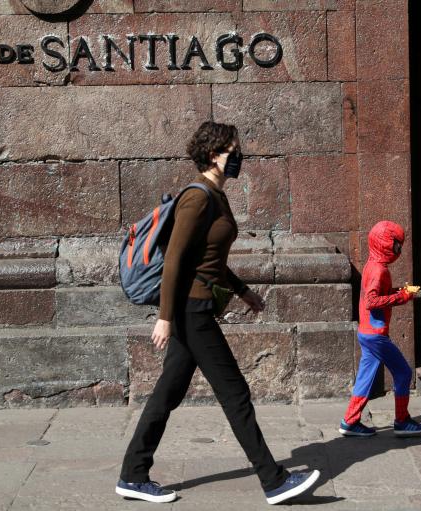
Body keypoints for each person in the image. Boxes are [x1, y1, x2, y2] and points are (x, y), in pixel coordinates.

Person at [116, 121, 319, 505]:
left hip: (197, 305)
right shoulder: (197, 198)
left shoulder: (217, 196)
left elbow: (208, 258)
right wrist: (164, 316)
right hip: (191, 311)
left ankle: (132, 474)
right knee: (235, 392)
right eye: (233, 150)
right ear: (214, 154)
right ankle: (274, 481)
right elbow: (175, 259)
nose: (239, 156)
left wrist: (243, 292)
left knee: (168, 392)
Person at [339, 220, 421, 437]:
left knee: (364, 377)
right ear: (385, 244)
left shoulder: (373, 265)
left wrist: (401, 290)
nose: (399, 250)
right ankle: (402, 421)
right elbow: (372, 301)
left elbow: (377, 294)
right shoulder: (379, 270)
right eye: (396, 245)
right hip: (376, 334)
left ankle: (350, 422)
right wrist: (402, 296)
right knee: (403, 372)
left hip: (368, 331)